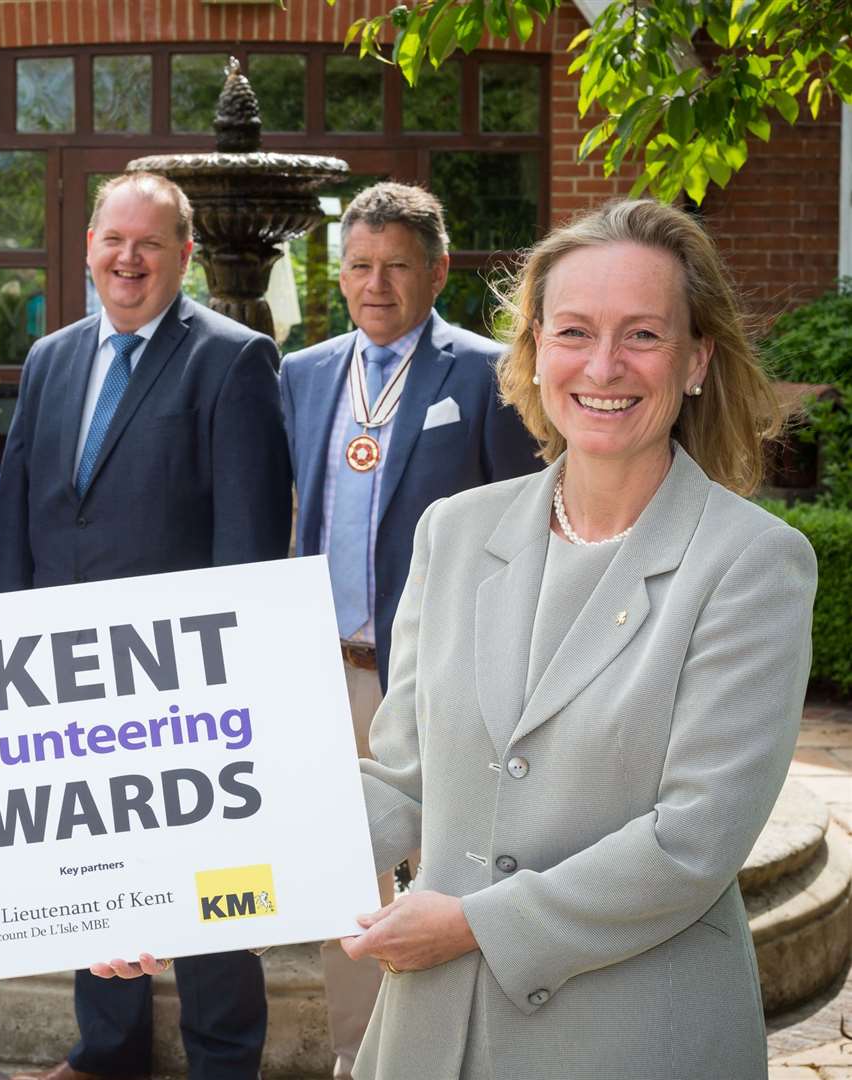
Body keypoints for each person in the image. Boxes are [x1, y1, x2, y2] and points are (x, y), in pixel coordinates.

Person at [97, 199, 818, 1080]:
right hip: (432, 1042)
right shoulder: (455, 532)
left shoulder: (753, 565)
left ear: (698, 359)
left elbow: (691, 843)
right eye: (574, 330)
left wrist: (474, 923)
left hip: (631, 1039)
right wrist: (189, 901)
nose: (602, 364)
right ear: (535, 350)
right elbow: (399, 781)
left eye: (642, 336)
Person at [0, 171, 291, 1080]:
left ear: (185, 256)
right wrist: (3, 647)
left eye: (150, 243)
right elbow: (21, 516)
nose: (128, 259)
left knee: (207, 881)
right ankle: (108, 1051)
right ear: (88, 247)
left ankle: (225, 1058)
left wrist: (237, 672)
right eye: (113, 240)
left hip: (181, 683)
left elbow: (249, 536)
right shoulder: (50, 358)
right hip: (64, 676)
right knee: (93, 871)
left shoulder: (234, 359)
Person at [277, 181, 540, 1078]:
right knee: (343, 873)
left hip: (446, 675)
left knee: (449, 871)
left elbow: (526, 528)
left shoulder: (485, 373)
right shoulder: (304, 374)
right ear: (339, 276)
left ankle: (455, 1057)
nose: (375, 283)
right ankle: (360, 1057)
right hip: (331, 668)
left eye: (396, 266)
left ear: (437, 271)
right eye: (359, 266)